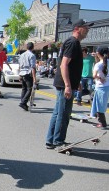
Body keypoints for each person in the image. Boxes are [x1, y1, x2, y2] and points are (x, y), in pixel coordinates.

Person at [45, 19, 94, 149]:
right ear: (77, 28)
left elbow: (71, 66)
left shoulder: (73, 43)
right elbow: (64, 64)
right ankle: (58, 142)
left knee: (58, 112)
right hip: (64, 84)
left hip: (66, 83)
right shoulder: (72, 43)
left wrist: (75, 82)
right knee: (64, 114)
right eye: (86, 27)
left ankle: (51, 140)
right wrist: (68, 85)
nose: (88, 30)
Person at [90, 46, 109, 129]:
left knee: (98, 105)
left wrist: (100, 78)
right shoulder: (106, 62)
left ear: (98, 53)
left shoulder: (98, 64)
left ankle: (103, 123)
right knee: (101, 104)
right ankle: (99, 120)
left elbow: (94, 75)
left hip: (100, 87)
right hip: (107, 86)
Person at [18, 42, 37, 111]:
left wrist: (19, 74)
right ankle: (23, 102)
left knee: (24, 88)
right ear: (33, 47)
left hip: (22, 72)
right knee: (30, 89)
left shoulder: (22, 55)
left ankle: (23, 102)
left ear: (27, 47)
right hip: (27, 73)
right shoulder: (32, 55)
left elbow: (19, 65)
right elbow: (33, 67)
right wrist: (34, 78)